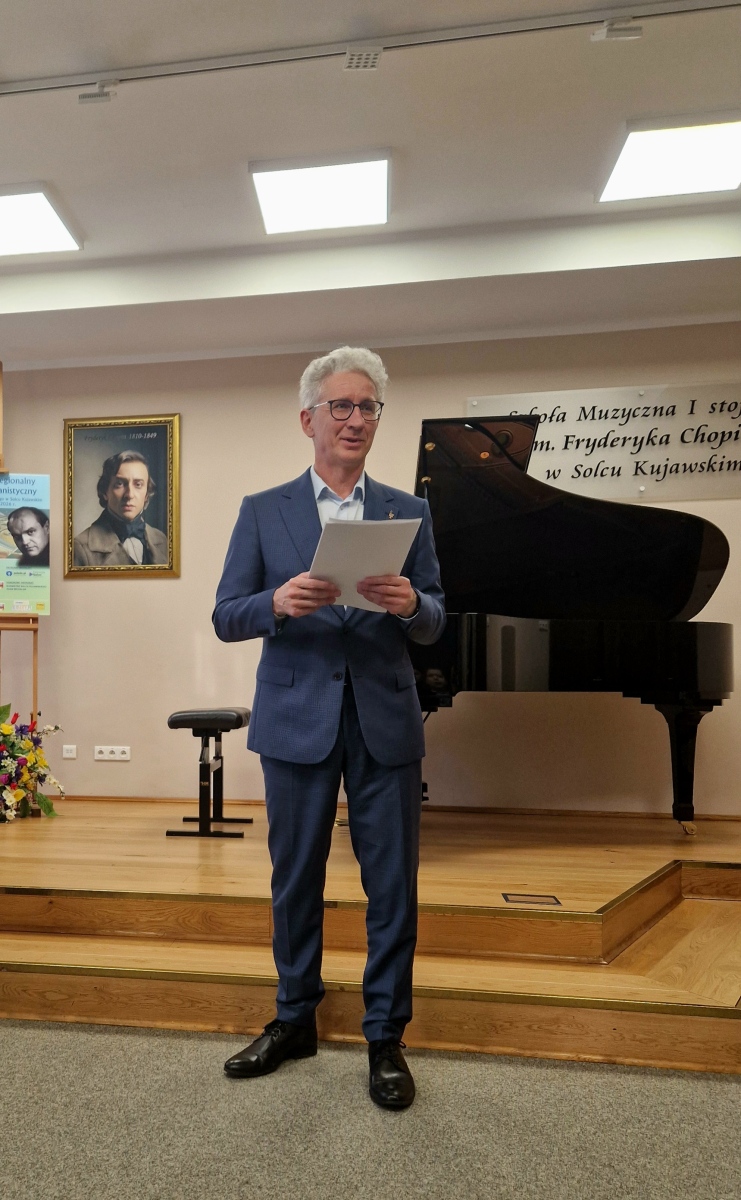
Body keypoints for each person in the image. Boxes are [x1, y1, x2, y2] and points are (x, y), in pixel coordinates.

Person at [213, 346, 446, 1109]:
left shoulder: (408, 511)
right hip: (294, 720)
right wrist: (276, 604)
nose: (354, 419)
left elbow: (436, 619)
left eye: (366, 406)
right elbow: (225, 615)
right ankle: (294, 1019)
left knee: (392, 886)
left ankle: (385, 1037)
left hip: (384, 719)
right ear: (307, 419)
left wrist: (411, 604)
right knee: (294, 882)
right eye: (339, 406)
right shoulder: (262, 510)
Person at [73, 450, 168, 566]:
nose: (129, 495)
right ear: (105, 492)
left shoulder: (162, 540)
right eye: (119, 484)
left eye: (138, 484)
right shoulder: (80, 547)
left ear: (146, 494)